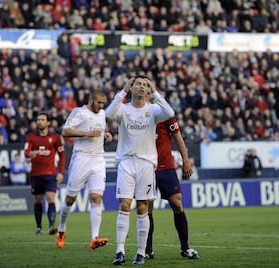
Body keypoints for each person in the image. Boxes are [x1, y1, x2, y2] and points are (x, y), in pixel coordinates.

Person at [106, 76, 175, 265]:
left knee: (143, 207)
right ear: (131, 88)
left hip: (146, 164)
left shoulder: (153, 110)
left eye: (145, 84)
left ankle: (141, 252)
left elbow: (170, 112)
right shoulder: (123, 109)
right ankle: (120, 251)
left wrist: (156, 94)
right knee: (124, 205)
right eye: (138, 84)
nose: (142, 87)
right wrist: (121, 92)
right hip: (126, 163)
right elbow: (109, 114)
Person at [56, 90, 112, 250]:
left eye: (103, 103)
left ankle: (95, 237)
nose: (101, 105)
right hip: (81, 158)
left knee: (96, 198)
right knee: (70, 199)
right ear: (90, 100)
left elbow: (99, 132)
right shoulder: (79, 112)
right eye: (99, 102)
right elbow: (65, 131)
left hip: (98, 159)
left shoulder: (102, 114)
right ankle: (61, 229)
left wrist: (106, 135)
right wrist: (87, 133)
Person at [146, 118, 200, 260]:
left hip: (166, 167)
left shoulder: (165, 115)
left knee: (177, 203)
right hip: (146, 167)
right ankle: (147, 249)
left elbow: (178, 137)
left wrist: (186, 161)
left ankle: (185, 247)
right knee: (146, 208)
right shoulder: (138, 114)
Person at [24, 111, 65, 236]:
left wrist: (61, 172)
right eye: (38, 119)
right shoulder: (31, 137)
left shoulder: (55, 138)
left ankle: (51, 226)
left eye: (42, 119)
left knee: (50, 197)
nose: (39, 122)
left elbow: (62, 156)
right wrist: (29, 154)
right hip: (36, 174)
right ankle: (39, 227)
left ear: (48, 122)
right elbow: (26, 152)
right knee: (38, 199)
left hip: (50, 173)